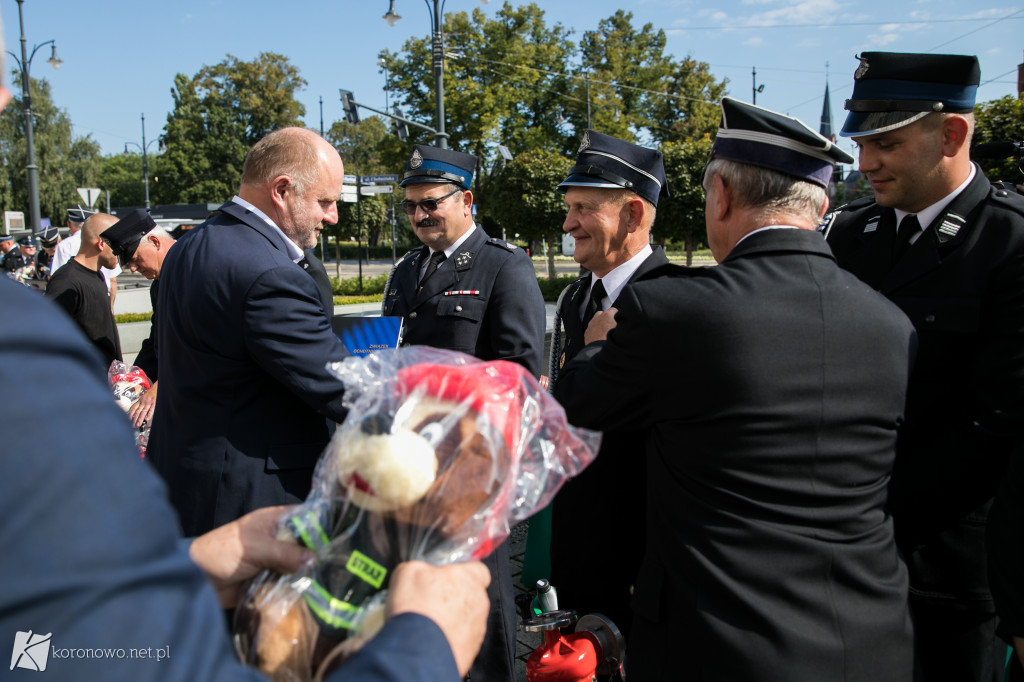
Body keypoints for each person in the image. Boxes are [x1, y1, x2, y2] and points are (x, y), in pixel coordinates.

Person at [554, 97, 916, 681]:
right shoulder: (890, 324)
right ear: (822, 204)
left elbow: (576, 403)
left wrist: (597, 345)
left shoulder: (677, 311)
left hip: (725, 644)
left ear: (721, 196)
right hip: (873, 639)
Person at [0, 273, 492, 682]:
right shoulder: (20, 342)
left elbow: (42, 642)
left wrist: (188, 568)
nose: (334, 214)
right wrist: (424, 648)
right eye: (324, 200)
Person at [824, 52, 1024, 682]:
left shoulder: (1009, 243)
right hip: (842, 561)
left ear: (953, 134)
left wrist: (869, 510)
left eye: (885, 143)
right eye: (861, 144)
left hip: (945, 572)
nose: (866, 164)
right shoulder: (848, 237)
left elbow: (995, 425)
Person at [382, 144, 547, 682]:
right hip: (407, 466)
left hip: (469, 469)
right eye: (408, 207)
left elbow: (519, 375)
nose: (418, 216)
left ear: (467, 199)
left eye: (429, 203)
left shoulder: (504, 266)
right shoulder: (407, 270)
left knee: (482, 600)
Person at [149, 127, 350, 539]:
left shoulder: (191, 245)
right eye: (325, 201)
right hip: (250, 500)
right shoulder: (270, 273)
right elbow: (339, 385)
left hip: (188, 482)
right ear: (282, 189)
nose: (332, 216)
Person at [544, 130, 669, 637]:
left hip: (639, 546)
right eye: (570, 206)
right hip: (575, 530)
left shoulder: (670, 299)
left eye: (584, 208)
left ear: (634, 215)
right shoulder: (577, 296)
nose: (568, 222)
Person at [102, 209, 176, 428]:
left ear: (154, 241)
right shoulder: (159, 285)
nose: (133, 269)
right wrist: (131, 381)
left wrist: (164, 384)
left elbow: (206, 343)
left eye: (134, 259)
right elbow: (156, 340)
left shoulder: (197, 271)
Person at [44, 213, 122, 369]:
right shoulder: (66, 281)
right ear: (101, 244)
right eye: (117, 244)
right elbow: (49, 337)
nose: (121, 250)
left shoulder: (97, 275)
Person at [51, 205, 120, 309]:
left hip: (76, 301)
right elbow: (113, 280)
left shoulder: (64, 245)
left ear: (69, 224)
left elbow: (57, 278)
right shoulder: (105, 241)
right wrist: (110, 308)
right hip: (103, 297)